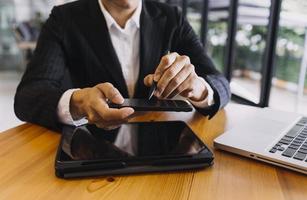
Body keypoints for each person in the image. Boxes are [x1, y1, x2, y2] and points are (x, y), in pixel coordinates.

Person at [14, 0, 231, 131]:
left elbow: (219, 81)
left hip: (157, 145)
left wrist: (200, 88)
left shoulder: (171, 17)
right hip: (89, 146)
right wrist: (78, 102)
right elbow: (28, 96)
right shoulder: (63, 18)